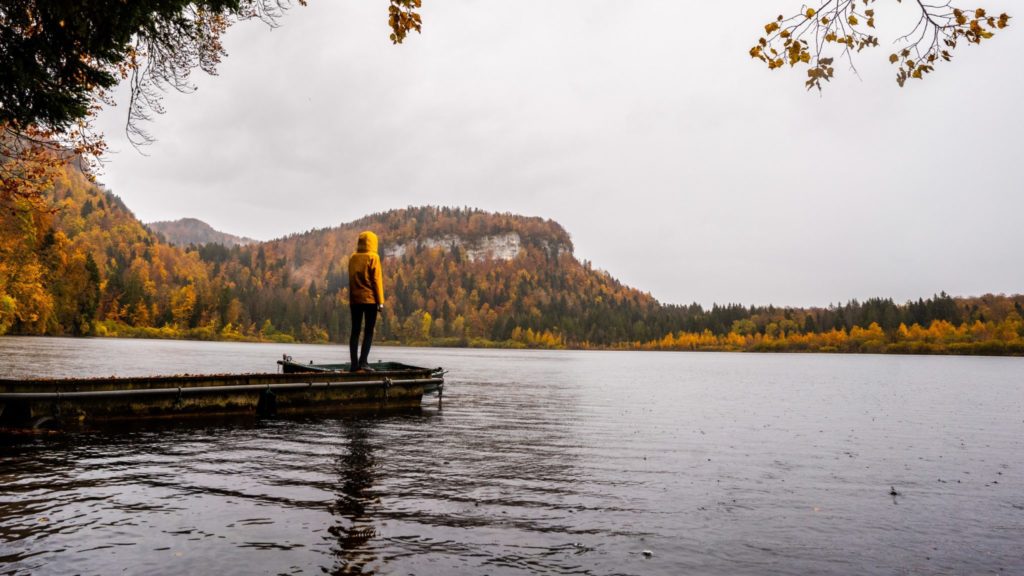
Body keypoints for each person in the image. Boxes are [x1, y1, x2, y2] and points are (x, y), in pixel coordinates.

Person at [348, 230, 384, 372]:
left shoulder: (353, 258)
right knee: (368, 331)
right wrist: (380, 301)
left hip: (355, 299)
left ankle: (354, 365)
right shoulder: (373, 257)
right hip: (370, 299)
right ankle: (363, 362)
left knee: (355, 331)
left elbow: (351, 279)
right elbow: (376, 280)